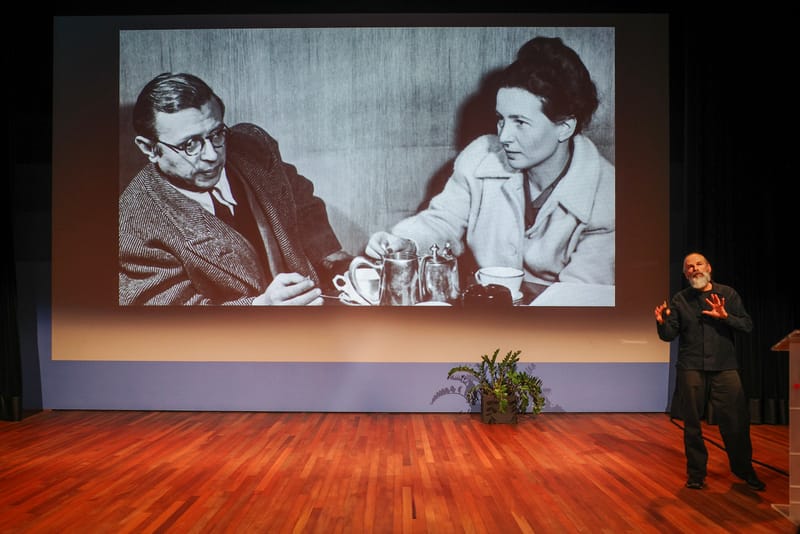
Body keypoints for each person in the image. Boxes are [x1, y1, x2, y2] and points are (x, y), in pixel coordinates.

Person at [364, 36, 614, 289]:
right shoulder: (481, 156)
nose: (504, 137)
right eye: (501, 119)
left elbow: (582, 295)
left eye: (520, 122)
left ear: (564, 127)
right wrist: (406, 243)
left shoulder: (607, 196)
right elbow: (442, 221)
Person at [119, 72, 351, 305]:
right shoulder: (133, 223)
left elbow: (301, 204)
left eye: (216, 134)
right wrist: (260, 309)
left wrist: (343, 267)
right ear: (149, 148)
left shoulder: (253, 146)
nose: (212, 155)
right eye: (189, 145)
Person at [654, 252, 764, 491]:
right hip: (691, 367)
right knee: (692, 425)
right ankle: (696, 474)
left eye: (699, 264)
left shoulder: (728, 294)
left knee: (736, 422)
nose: (695, 269)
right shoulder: (680, 299)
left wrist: (725, 316)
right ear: (685, 274)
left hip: (725, 367)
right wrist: (662, 322)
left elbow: (747, 325)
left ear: (709, 267)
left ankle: (744, 470)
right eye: (690, 267)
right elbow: (669, 336)